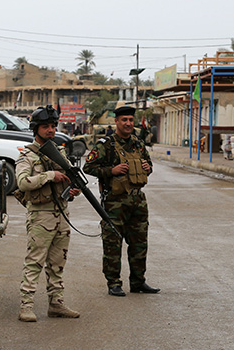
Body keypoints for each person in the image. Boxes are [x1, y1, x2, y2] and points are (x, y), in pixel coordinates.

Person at [83, 105, 160, 297]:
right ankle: (114, 283)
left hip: (138, 200)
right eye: (124, 120)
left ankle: (138, 281)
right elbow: (88, 167)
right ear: (116, 122)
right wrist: (111, 171)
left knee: (139, 243)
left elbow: (149, 165)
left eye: (130, 120)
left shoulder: (138, 143)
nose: (128, 123)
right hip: (114, 202)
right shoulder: (106, 144)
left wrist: (146, 167)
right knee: (112, 244)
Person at [15, 105, 81, 322]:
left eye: (53, 126)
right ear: (35, 129)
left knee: (57, 262)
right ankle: (26, 305)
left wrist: (71, 191)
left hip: (61, 213)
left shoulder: (59, 152)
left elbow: (66, 181)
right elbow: (23, 183)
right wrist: (50, 176)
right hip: (40, 215)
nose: (51, 130)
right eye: (45, 127)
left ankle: (56, 303)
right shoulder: (27, 155)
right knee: (35, 261)